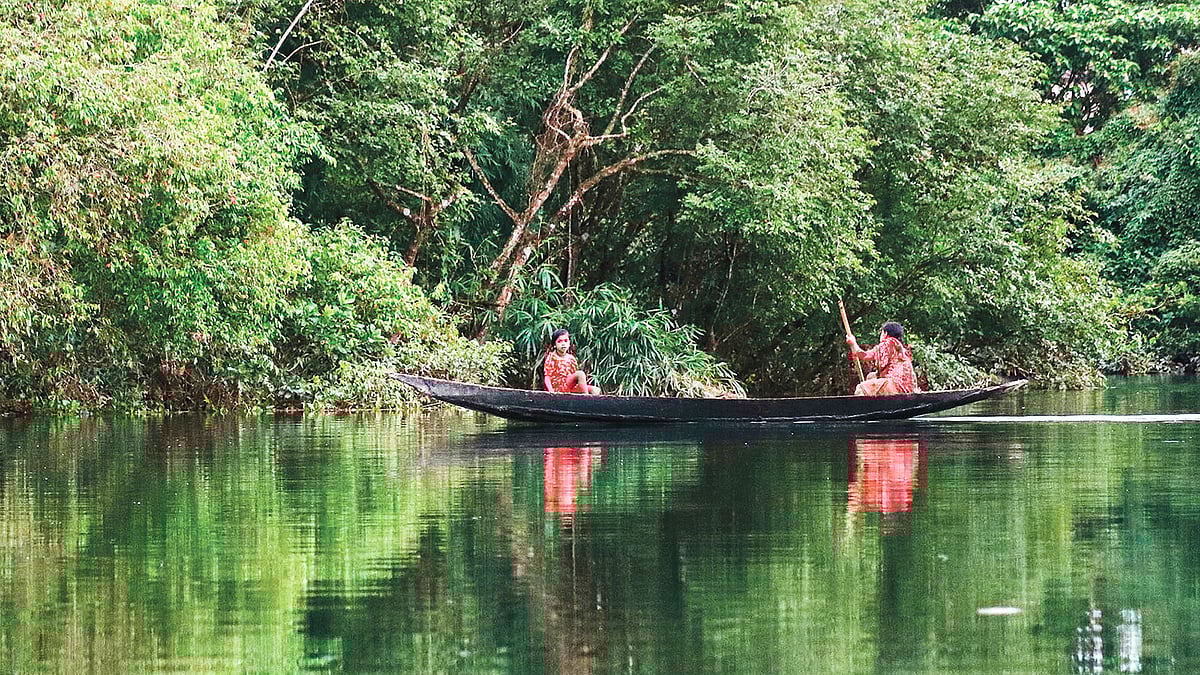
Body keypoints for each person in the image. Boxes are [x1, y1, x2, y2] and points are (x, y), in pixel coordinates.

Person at [845, 321, 918, 395]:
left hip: (895, 385)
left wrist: (853, 343)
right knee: (871, 376)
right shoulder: (902, 349)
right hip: (906, 389)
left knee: (860, 388)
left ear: (885, 333)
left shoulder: (888, 343)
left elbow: (865, 355)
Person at [542, 329, 601, 395]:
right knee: (580, 374)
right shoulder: (552, 357)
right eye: (559, 341)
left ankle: (588, 398)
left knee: (596, 390)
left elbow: (574, 378)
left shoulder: (571, 358)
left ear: (569, 343)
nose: (563, 344)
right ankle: (586, 398)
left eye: (565, 341)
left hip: (570, 387)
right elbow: (547, 377)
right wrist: (552, 392)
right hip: (558, 388)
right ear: (554, 345)